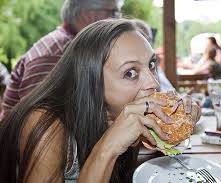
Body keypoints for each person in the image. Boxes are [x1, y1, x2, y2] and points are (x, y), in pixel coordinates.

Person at [0, 19, 201, 183]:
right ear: (91, 82)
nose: (154, 83)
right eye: (130, 72)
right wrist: (108, 147)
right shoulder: (45, 123)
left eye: (151, 64)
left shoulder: (115, 111)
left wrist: (171, 127)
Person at [0, 0, 124, 120]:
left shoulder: (73, 47)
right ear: (89, 15)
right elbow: (39, 120)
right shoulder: (55, 55)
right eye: (113, 12)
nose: (118, 18)